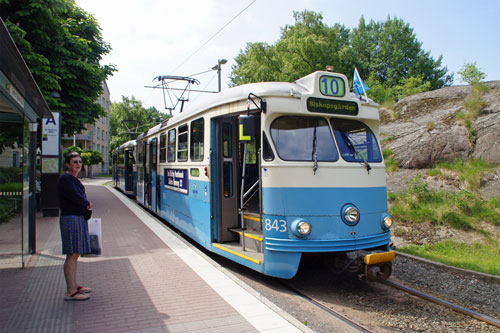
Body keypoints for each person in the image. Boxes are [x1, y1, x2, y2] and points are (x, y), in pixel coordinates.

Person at [57, 152, 92, 301]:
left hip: (76, 218)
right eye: (74, 162)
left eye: (79, 162)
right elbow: (76, 197)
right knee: (72, 254)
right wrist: (87, 203)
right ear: (67, 164)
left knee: (75, 253)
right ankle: (70, 291)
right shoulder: (66, 179)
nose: (78, 164)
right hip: (71, 219)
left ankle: (74, 285)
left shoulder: (71, 179)